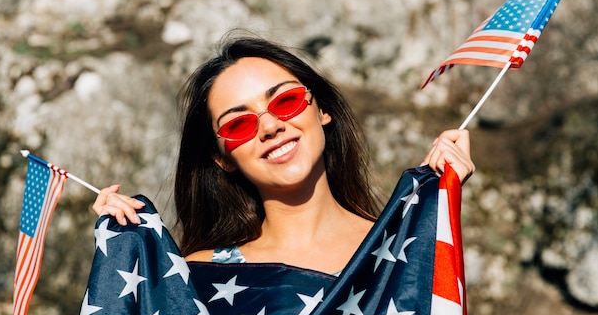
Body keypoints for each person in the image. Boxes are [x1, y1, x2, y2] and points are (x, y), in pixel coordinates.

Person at [93, 35, 475, 275]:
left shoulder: (406, 253)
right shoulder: (196, 279)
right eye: (238, 124)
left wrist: (436, 205)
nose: (270, 126)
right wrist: (125, 253)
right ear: (222, 157)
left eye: (286, 101)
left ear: (321, 109)